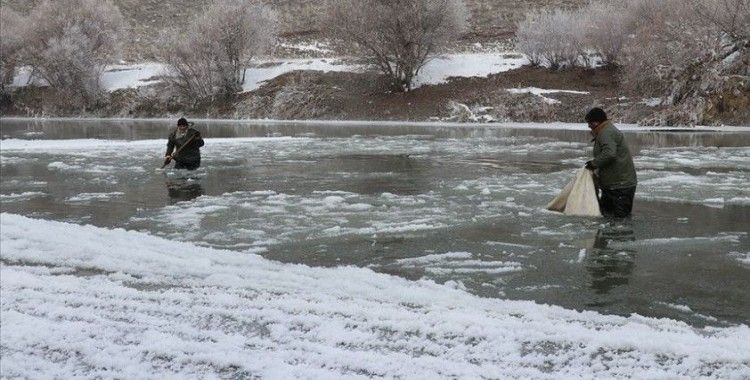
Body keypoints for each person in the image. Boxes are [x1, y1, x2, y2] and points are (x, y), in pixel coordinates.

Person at [584, 108, 637, 218]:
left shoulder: (606, 132)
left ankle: (620, 234)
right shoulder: (605, 130)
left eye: (590, 122)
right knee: (609, 218)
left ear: (597, 121)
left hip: (620, 186)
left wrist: (594, 163)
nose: (589, 125)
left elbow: (609, 153)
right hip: (615, 184)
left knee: (619, 221)